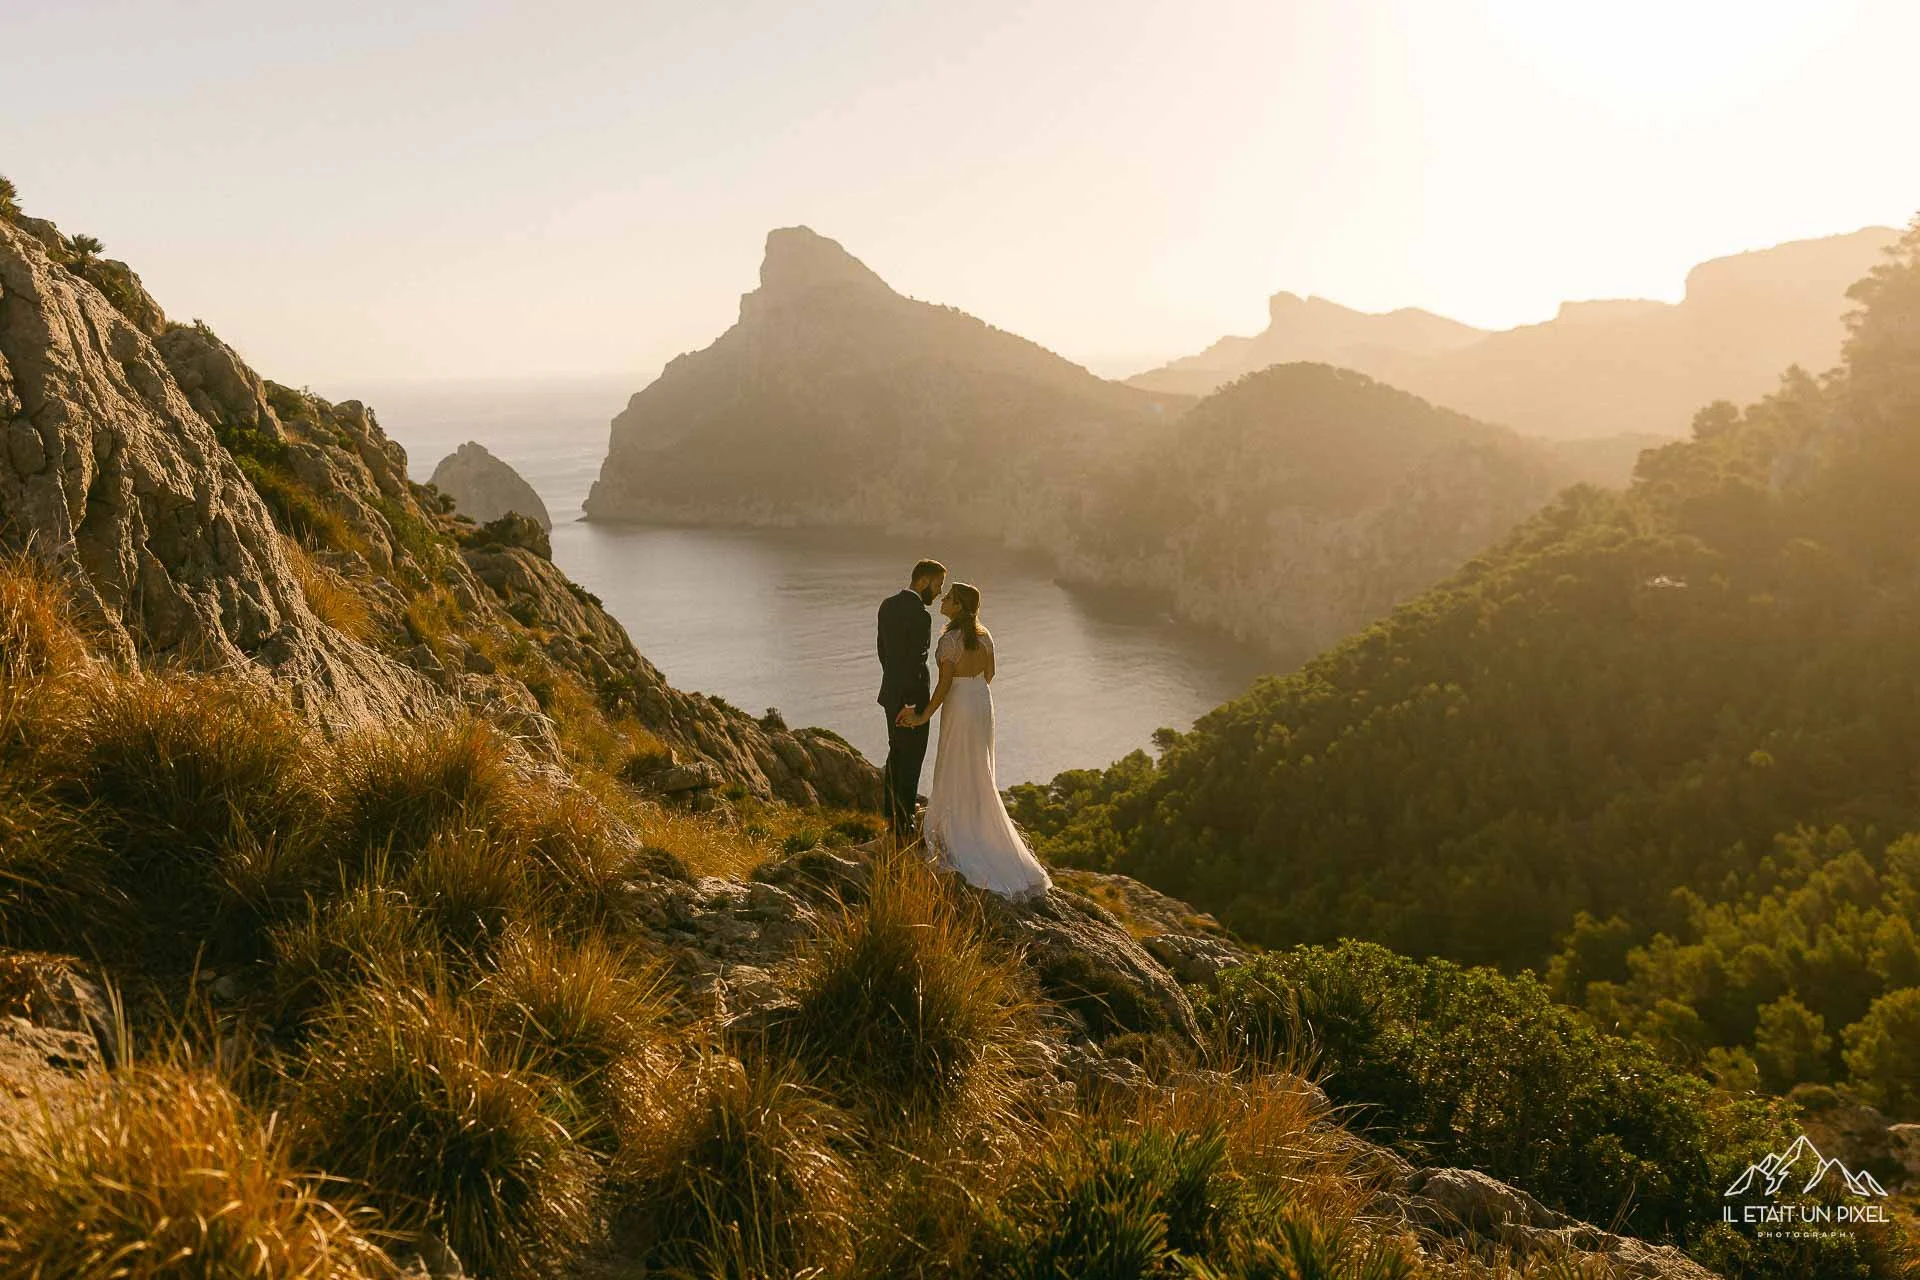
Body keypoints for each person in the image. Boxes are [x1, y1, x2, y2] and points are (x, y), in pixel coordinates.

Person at [896, 582, 1052, 900]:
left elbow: (943, 686)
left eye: (949, 598)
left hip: (960, 705)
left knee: (955, 760)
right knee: (979, 766)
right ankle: (979, 823)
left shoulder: (949, 640)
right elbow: (990, 673)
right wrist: (974, 692)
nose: (943, 599)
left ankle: (959, 830)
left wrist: (923, 716)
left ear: (959, 607)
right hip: (982, 701)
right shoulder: (985, 636)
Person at [876, 558, 945, 842]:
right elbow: (916, 662)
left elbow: (884, 652)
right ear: (924, 581)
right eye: (938, 585)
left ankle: (893, 816)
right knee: (911, 758)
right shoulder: (920, 616)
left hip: (890, 694)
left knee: (896, 752)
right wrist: (911, 704)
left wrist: (895, 693)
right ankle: (904, 825)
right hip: (910, 700)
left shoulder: (887, 605)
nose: (939, 592)